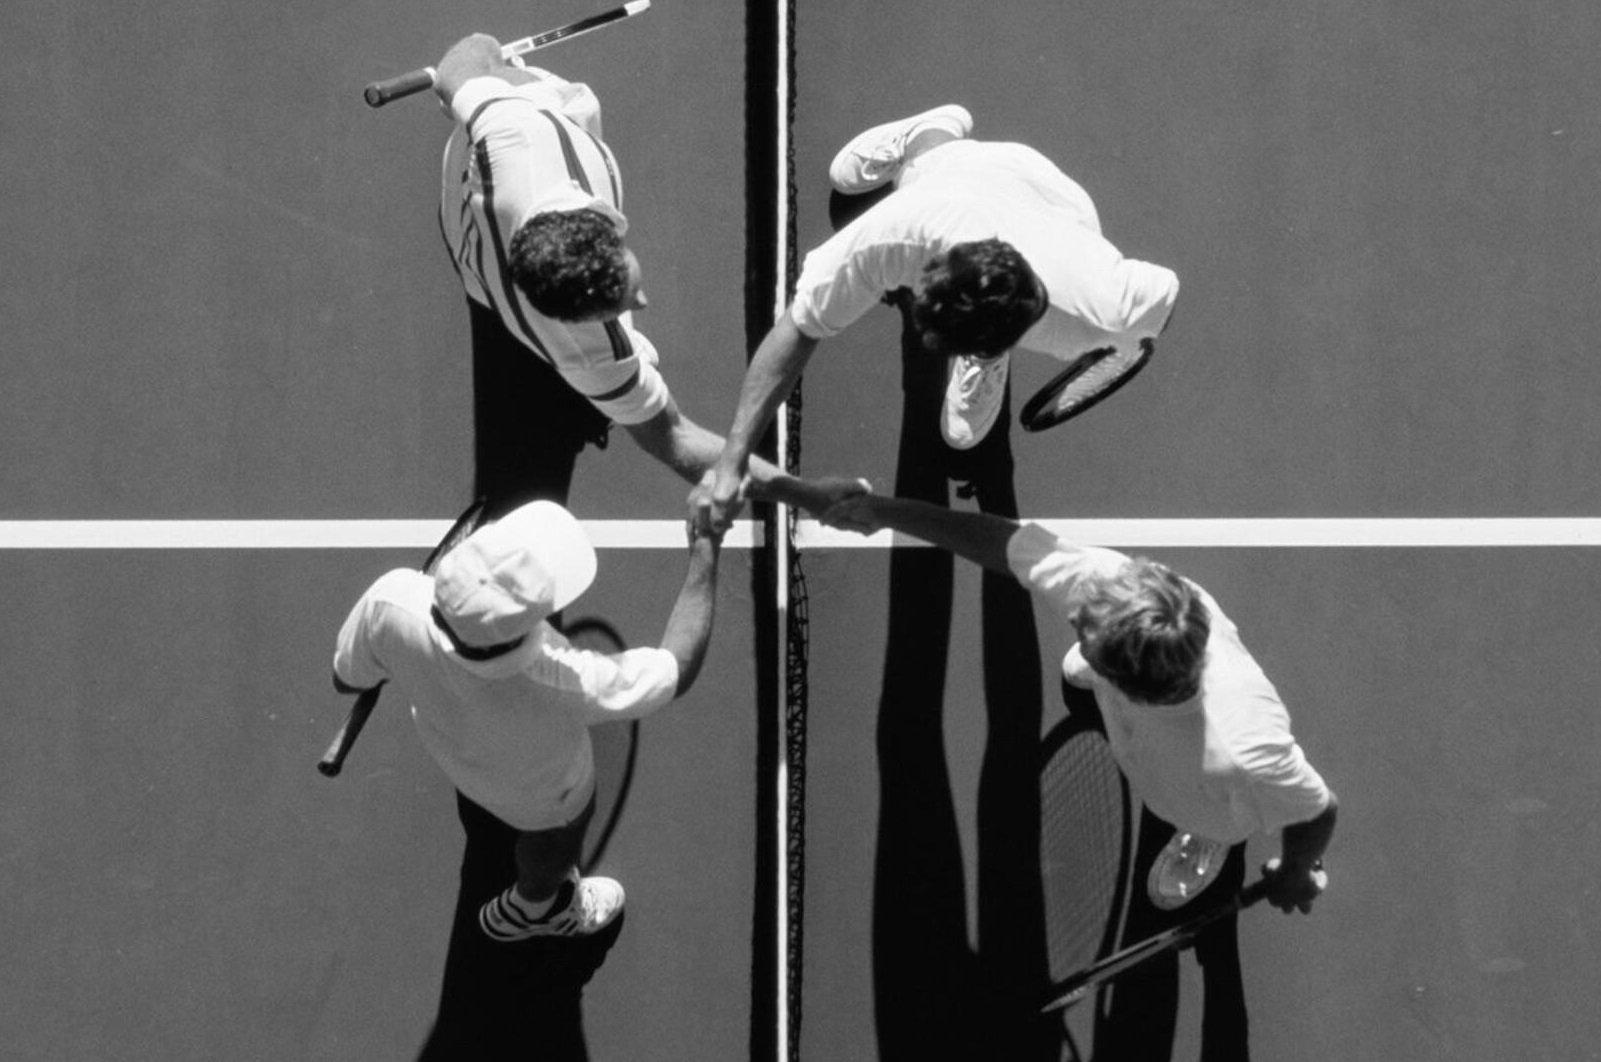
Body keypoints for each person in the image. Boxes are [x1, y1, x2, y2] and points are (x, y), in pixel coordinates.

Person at [823, 492, 1338, 1060]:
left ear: (1133, 684)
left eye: (1090, 640)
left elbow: (1316, 808)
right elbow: (1002, 542)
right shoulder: (1116, 591)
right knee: (1081, 680)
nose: (1077, 624)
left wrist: (1293, 870)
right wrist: (885, 511)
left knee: (1199, 809)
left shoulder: (1242, 750)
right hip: (1152, 716)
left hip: (1203, 797)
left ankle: (1209, 838)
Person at [332, 498, 724, 1055]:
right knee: (552, 841)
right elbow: (674, 669)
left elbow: (346, 678)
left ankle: (533, 891)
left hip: (453, 754)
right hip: (547, 800)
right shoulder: (565, 677)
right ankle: (539, 908)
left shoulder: (391, 599)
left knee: (484, 811)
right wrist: (705, 554)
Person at [432, 32, 862, 519]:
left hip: (500, 164)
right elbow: (675, 440)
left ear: (603, 234)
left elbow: (457, 67)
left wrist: (493, 59)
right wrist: (805, 494)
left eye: (627, 293)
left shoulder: (513, 125)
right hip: (484, 263)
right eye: (617, 310)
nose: (642, 305)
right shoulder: (589, 355)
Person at [698, 104, 1181, 533]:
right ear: (926, 278)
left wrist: (1125, 338)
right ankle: (930, 131)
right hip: (951, 180)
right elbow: (797, 330)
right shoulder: (890, 240)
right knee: (856, 178)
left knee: (965, 426)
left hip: (1050, 194)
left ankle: (988, 358)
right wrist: (731, 460)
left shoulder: (1108, 299)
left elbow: (1166, 292)